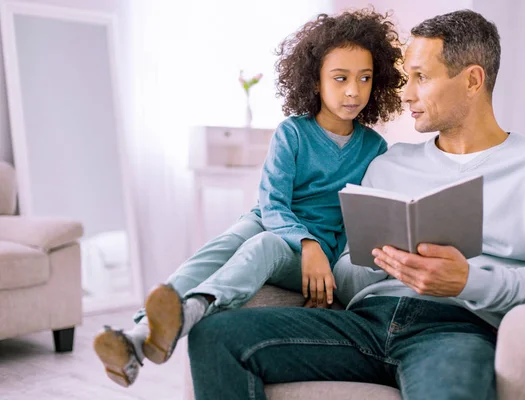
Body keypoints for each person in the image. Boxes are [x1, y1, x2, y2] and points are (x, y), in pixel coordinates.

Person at [185, 9, 525, 400]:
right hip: (364, 321)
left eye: (420, 77)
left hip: (456, 329)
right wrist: (380, 261)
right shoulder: (389, 162)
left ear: (473, 80)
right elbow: (346, 272)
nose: (405, 94)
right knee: (215, 335)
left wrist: (467, 281)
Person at [93, 8, 405, 388]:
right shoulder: (292, 132)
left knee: (265, 247)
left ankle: (189, 313)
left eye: (364, 78)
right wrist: (304, 240)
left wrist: (319, 258)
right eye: (340, 78)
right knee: (224, 244)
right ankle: (140, 336)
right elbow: (273, 203)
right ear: (315, 81)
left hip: (307, 246)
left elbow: (357, 220)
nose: (353, 90)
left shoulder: (374, 148)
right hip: (272, 218)